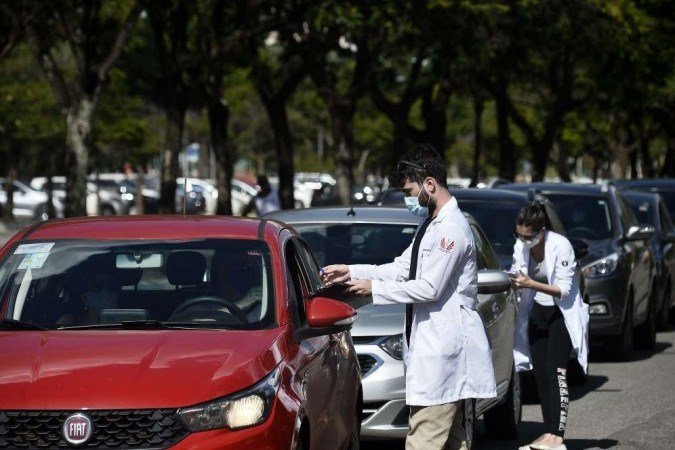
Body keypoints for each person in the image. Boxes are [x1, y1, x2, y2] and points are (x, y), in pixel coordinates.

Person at [321, 144, 496, 450]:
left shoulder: (450, 230)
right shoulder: (431, 225)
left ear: (430, 183)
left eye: (409, 190)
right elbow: (402, 268)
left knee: (423, 442)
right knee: (455, 442)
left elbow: (429, 288)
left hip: (443, 356)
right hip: (434, 356)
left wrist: (371, 288)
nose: (408, 199)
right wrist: (349, 271)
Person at [510, 202, 589, 450]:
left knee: (557, 372)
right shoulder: (522, 244)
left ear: (541, 231)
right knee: (541, 374)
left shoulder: (560, 245)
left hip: (560, 314)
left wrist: (530, 283)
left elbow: (564, 291)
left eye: (528, 236)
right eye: (519, 235)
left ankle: (558, 436)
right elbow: (517, 269)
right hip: (537, 311)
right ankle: (548, 433)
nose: (523, 241)